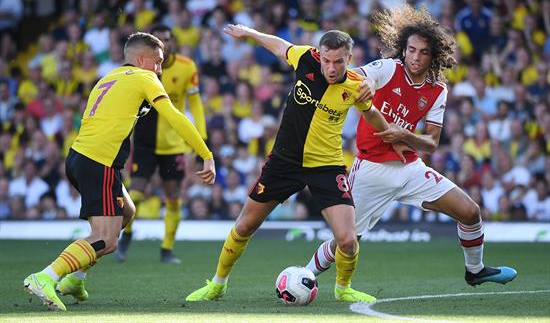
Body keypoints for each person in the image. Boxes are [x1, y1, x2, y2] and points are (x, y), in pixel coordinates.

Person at [185, 24, 404, 303]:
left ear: (349, 60)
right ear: (320, 55)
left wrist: (391, 137)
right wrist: (250, 33)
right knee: (243, 227)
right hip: (284, 162)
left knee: (348, 240)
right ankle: (217, 284)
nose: (331, 67)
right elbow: (278, 45)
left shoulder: (355, 86)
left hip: (327, 166)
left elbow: (371, 114)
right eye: (326, 60)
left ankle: (343, 288)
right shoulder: (305, 58)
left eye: (338, 61)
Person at [305, 5, 517, 287]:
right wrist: (366, 83)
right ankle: (305, 275)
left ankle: (475, 270)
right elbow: (364, 76)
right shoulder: (388, 68)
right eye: (412, 50)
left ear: (434, 56)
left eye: (423, 52)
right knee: (346, 240)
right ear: (403, 49)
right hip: (371, 170)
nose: (416, 57)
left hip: (410, 169)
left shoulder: (437, 89)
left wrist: (404, 135)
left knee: (470, 212)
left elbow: (431, 142)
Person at [23, 32, 216, 311]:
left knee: (126, 212)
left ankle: (76, 279)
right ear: (141, 60)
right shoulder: (144, 77)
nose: (160, 69)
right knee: (106, 239)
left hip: (80, 158)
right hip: (98, 163)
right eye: (158, 62)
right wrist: (206, 154)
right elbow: (174, 115)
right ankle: (46, 277)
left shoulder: (109, 77)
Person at [116, 24, 208, 264]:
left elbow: (195, 103)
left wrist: (202, 136)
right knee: (135, 192)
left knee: (173, 197)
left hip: (174, 144)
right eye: (159, 41)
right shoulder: (143, 70)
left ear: (173, 41)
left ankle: (167, 248)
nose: (164, 45)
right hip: (145, 140)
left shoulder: (187, 67)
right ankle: (126, 234)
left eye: (167, 40)